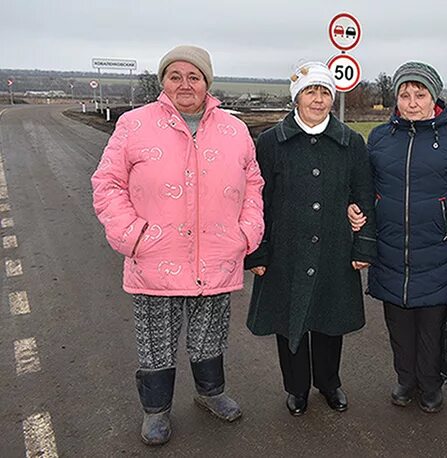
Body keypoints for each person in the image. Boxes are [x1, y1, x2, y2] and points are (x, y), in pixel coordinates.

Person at [91, 45, 264, 445]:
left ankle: (211, 393)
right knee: (156, 340)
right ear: (162, 81)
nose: (185, 84)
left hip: (218, 255)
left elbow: (254, 184)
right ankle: (156, 411)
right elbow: (107, 183)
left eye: (194, 77)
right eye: (175, 76)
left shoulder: (234, 129)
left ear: (208, 83)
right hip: (155, 257)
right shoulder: (135, 125)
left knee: (210, 333)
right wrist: (132, 235)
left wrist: (246, 233)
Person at [348, 61, 447, 413]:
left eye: (419, 94)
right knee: (398, 325)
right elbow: (364, 189)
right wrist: (356, 211)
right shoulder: (380, 137)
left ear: (433, 96)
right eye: (404, 94)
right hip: (391, 250)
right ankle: (405, 379)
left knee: (433, 326)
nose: (411, 102)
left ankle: (430, 383)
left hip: (439, 252)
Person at [244, 61, 376, 416]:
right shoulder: (271, 142)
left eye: (324, 93)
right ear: (297, 98)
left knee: (329, 319)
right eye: (310, 92)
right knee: (289, 322)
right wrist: (257, 252)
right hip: (286, 250)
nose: (318, 100)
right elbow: (256, 201)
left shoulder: (351, 143)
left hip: (334, 247)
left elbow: (363, 196)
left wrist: (363, 244)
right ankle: (296, 388)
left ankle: (329, 382)